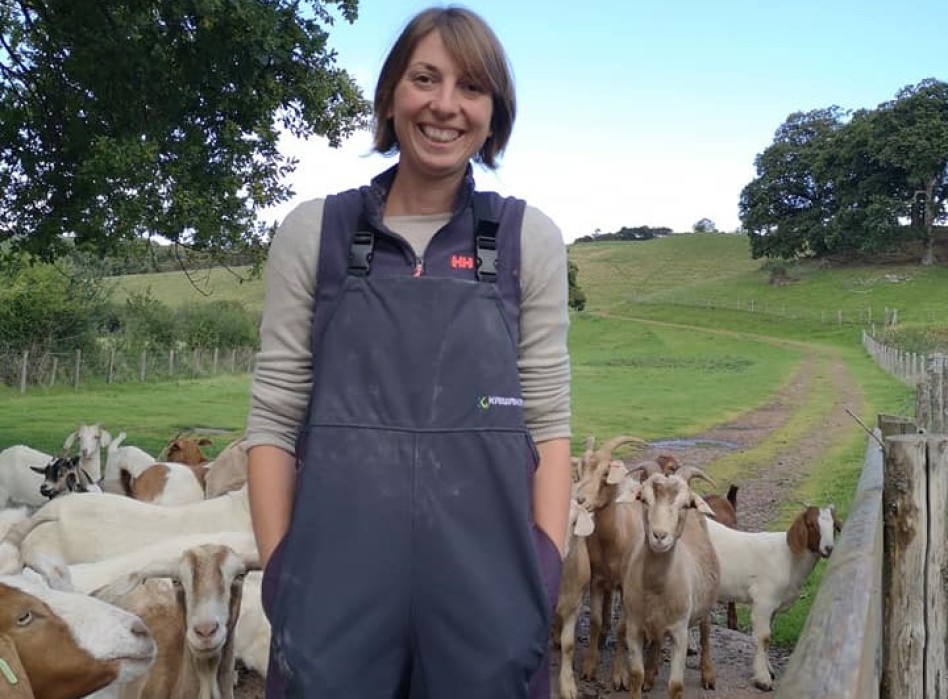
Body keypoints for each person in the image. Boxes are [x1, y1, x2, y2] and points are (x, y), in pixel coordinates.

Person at [244, 6, 572, 698]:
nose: (445, 105)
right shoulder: (316, 233)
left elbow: (546, 420)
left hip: (489, 609)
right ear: (391, 94)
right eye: (426, 79)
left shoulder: (525, 241)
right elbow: (273, 417)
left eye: (471, 87)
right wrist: (282, 576)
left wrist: (540, 571)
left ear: (493, 112)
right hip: (330, 604)